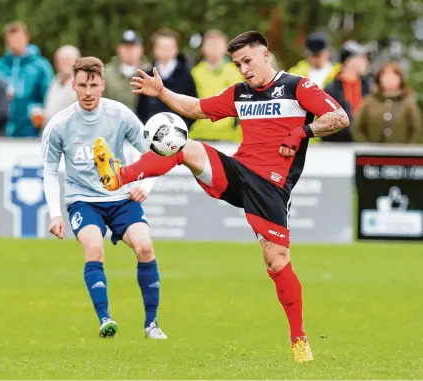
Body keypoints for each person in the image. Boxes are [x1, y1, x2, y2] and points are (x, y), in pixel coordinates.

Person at [95, 31, 349, 362]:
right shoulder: (240, 93)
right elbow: (197, 108)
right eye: (238, 63)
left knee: (277, 263)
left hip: (270, 188)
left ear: (266, 56)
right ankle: (120, 176)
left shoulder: (297, 87)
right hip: (237, 173)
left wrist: (303, 130)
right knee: (184, 146)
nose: (244, 69)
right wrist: (163, 93)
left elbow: (339, 117)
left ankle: (299, 339)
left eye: (248, 61)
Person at [42, 56, 166, 339]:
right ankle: (105, 319)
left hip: (121, 197)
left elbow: (156, 154)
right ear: (73, 85)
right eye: (82, 85)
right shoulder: (60, 125)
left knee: (145, 247)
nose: (87, 92)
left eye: (93, 85)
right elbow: (49, 171)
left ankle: (151, 324)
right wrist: (55, 214)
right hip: (82, 200)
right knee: (94, 247)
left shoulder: (120, 115)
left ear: (102, 85)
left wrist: (145, 185)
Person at [0, 21, 54, 137]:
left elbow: (49, 94)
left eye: (19, 38)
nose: (15, 42)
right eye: (11, 39)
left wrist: (38, 109)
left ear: (27, 38)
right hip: (2, 128)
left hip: (30, 128)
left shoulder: (40, 65)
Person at [136, 28, 197, 128]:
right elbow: (141, 108)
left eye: (169, 47)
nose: (165, 51)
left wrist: (182, 127)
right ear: (154, 49)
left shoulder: (186, 76)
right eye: (161, 47)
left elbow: (193, 106)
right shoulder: (147, 75)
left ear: (176, 49)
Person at [190, 29, 244, 142]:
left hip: (231, 139)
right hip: (199, 137)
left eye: (218, 44)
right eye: (210, 44)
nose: (214, 48)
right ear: (203, 48)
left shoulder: (238, 73)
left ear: (226, 48)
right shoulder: (194, 73)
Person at [351, 61, 422, 143]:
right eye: (385, 75)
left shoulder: (408, 102)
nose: (389, 79)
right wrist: (366, 147)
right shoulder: (369, 101)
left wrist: (408, 151)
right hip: (372, 153)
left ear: (400, 78)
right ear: (379, 78)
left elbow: (417, 129)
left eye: (393, 75)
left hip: (401, 153)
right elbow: (356, 128)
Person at [323, 40, 372, 142]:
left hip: (366, 145)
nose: (366, 62)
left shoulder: (370, 86)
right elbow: (326, 125)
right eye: (362, 58)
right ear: (349, 60)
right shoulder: (331, 89)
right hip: (338, 147)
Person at [103, 30, 151, 111]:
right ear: (118, 49)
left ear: (141, 49)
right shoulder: (106, 73)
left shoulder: (150, 73)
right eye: (126, 47)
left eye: (133, 46)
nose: (129, 50)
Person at [44, 45, 81, 122]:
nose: (64, 64)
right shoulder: (55, 81)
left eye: (68, 60)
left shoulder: (82, 84)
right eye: (61, 61)